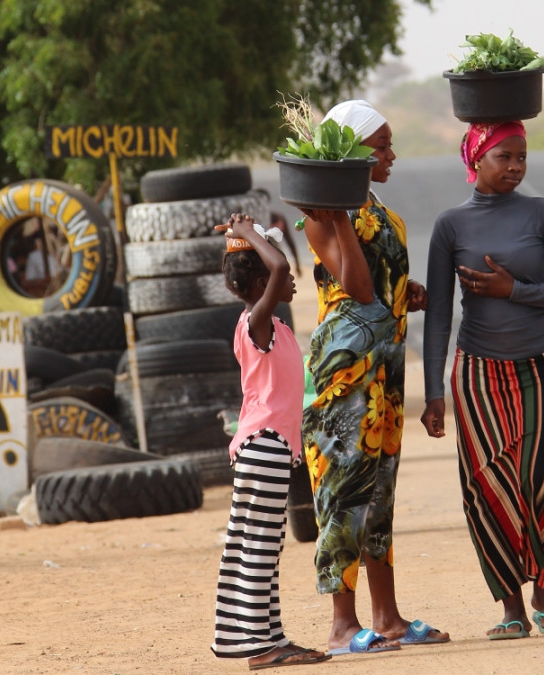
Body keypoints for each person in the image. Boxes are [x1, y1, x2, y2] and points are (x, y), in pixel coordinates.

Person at [420, 120, 544, 640]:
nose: (516, 166)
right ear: (476, 159)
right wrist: (433, 392)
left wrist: (514, 289)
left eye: (521, 157)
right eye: (504, 157)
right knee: (488, 483)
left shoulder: (543, 214)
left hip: (543, 369)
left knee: (540, 482)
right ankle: (511, 606)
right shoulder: (451, 226)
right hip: (478, 374)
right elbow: (439, 316)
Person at [300, 99, 449, 655]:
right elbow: (357, 290)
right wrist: (338, 209)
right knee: (344, 492)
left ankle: (387, 617)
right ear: (352, 155)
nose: (391, 154)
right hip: (346, 374)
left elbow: (378, 283)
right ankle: (342, 627)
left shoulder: (377, 206)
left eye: (389, 144)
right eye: (381, 146)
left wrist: (404, 292)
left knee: (380, 492)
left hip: (385, 370)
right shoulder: (322, 214)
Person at [210, 212, 330, 669]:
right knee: (259, 546)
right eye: (281, 274)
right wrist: (246, 236)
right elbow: (280, 268)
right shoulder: (253, 325)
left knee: (259, 543)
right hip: (265, 447)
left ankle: (264, 637)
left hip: (268, 448)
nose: (291, 278)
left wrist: (254, 235)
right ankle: (260, 647)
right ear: (262, 284)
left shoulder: (274, 328)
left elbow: (277, 268)